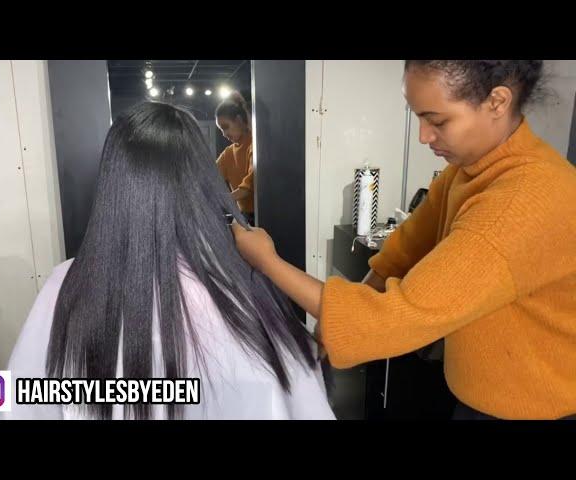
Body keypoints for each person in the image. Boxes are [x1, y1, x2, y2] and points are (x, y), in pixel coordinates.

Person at [231, 60, 576, 420]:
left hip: (536, 410)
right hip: (479, 400)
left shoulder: (524, 201)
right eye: (418, 117)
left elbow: (398, 317)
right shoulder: (467, 171)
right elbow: (401, 252)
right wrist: (340, 317)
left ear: (497, 102)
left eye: (438, 121)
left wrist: (267, 262)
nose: (424, 136)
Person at [0, 101, 334, 420]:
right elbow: (296, 388)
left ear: (112, 183)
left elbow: (15, 394)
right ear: (201, 182)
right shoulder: (239, 284)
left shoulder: (67, 281)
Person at [215, 91, 255, 225]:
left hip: (262, 213)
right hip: (242, 215)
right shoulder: (228, 153)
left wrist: (220, 200)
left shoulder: (255, 146)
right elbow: (209, 175)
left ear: (238, 120)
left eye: (226, 127)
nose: (224, 134)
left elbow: (247, 188)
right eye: (221, 130)